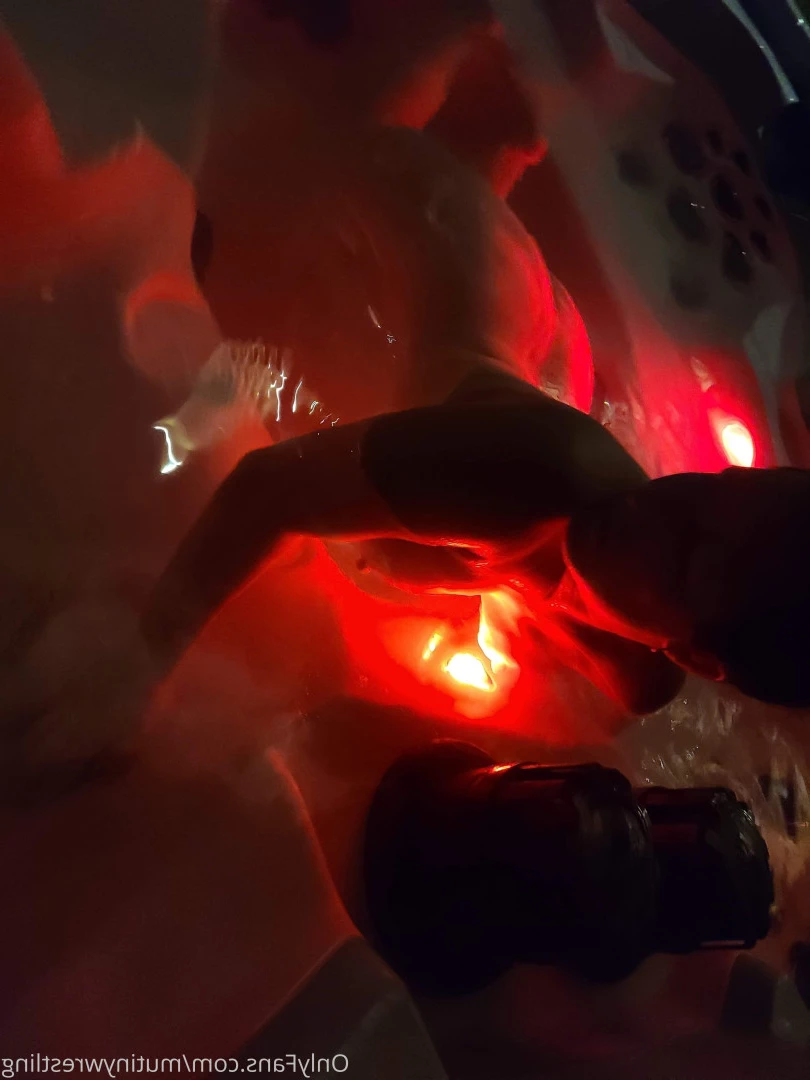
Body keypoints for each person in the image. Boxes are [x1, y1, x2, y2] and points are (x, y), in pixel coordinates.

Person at [144, 2, 810, 718]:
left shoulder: (638, 672)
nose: (651, 507)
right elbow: (266, 488)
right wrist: (135, 673)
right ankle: (476, 108)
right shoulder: (545, 475)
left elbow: (593, 650)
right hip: (410, 218)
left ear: (691, 655)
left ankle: (491, 129)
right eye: (706, 489)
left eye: (686, 555)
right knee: (242, 193)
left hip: (509, 334)